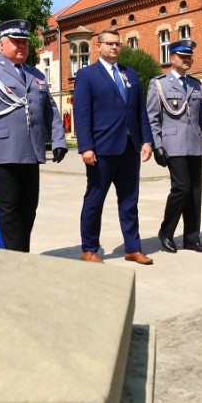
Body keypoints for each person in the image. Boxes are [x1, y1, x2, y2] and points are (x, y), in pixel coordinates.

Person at [0, 19, 67, 253]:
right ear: (2, 45)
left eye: (25, 43)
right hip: (0, 153)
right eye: (16, 42)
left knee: (28, 208)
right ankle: (10, 260)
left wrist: (58, 140)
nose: (21, 46)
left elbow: (50, 109)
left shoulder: (35, 74)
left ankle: (21, 257)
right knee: (6, 211)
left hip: (30, 154)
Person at [73, 29, 155, 265]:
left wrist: (146, 140)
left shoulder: (131, 75)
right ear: (98, 46)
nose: (114, 47)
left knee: (130, 201)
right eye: (109, 43)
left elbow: (140, 112)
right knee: (95, 200)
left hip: (130, 148)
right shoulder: (87, 75)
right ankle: (89, 248)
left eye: (117, 44)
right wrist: (85, 147)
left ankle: (132, 248)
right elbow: (82, 113)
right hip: (101, 149)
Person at [147, 39, 202, 254]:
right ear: (172, 58)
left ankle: (191, 238)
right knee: (181, 189)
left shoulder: (195, 84)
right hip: (173, 145)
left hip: (194, 145)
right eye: (183, 57)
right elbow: (152, 117)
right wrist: (157, 145)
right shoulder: (159, 83)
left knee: (195, 192)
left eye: (190, 57)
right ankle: (166, 232)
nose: (187, 60)